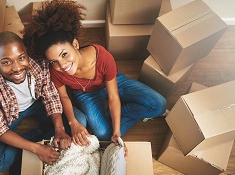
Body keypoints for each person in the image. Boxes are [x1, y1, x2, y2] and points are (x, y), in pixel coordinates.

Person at [23, 0, 167, 147]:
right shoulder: (55, 70)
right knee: (103, 134)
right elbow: (64, 97)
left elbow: (113, 96)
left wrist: (117, 132)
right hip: (85, 94)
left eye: (64, 54)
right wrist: (73, 123)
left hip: (112, 83)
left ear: (75, 44)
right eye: (54, 61)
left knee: (158, 105)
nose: (62, 65)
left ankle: (113, 115)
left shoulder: (103, 56)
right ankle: (113, 116)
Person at [0, 31, 75, 175]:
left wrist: (60, 130)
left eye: (21, 58)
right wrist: (37, 149)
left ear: (26, 52)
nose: (17, 68)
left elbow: (50, 95)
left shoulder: (38, 61)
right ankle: (36, 137)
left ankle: (41, 137)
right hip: (7, 115)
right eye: (6, 62)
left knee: (78, 120)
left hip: (37, 104)